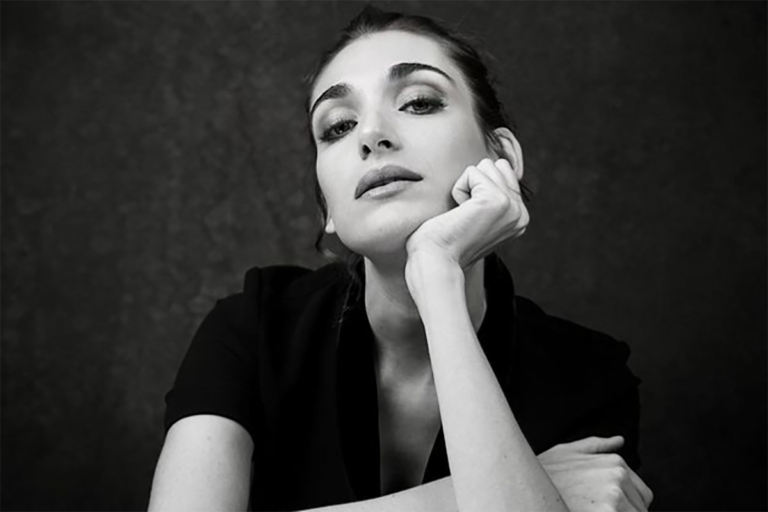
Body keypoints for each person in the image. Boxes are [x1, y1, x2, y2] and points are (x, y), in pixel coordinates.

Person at [148, 6, 653, 512]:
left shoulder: (588, 376)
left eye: (418, 103)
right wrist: (505, 488)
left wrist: (437, 273)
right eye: (339, 126)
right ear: (327, 209)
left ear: (502, 158)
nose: (371, 134)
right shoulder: (254, 327)